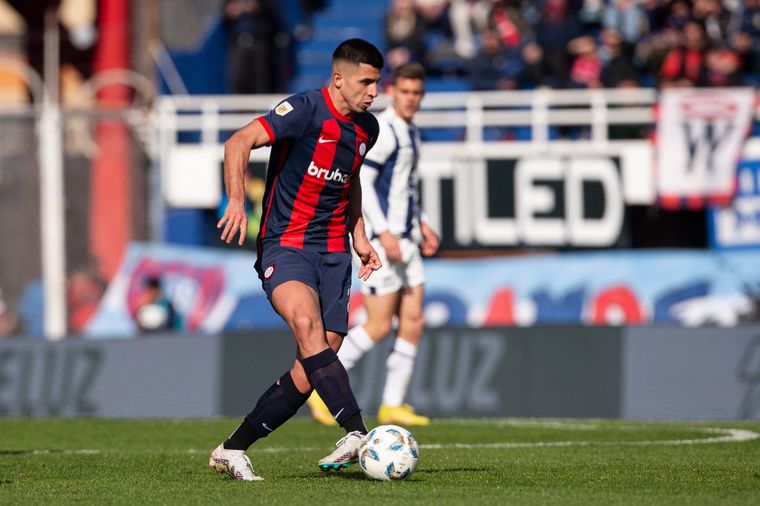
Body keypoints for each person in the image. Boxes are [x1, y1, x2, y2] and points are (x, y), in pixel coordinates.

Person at [210, 38, 384, 481]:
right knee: (307, 330)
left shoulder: (368, 129)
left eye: (377, 83)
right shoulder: (305, 110)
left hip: (333, 253)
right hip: (285, 245)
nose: (373, 92)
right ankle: (356, 432)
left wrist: (359, 235)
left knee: (313, 365)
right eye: (366, 82)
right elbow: (238, 141)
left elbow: (351, 182)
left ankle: (233, 448)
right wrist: (234, 201)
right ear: (338, 78)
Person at [306, 63, 439, 428]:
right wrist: (381, 233)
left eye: (417, 93)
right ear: (394, 91)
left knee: (413, 320)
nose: (411, 99)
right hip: (387, 241)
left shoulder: (411, 132)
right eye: (406, 92)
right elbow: (361, 180)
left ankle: (393, 404)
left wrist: (424, 223)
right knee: (379, 324)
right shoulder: (387, 131)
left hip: (408, 239)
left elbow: (405, 188)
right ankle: (321, 389)